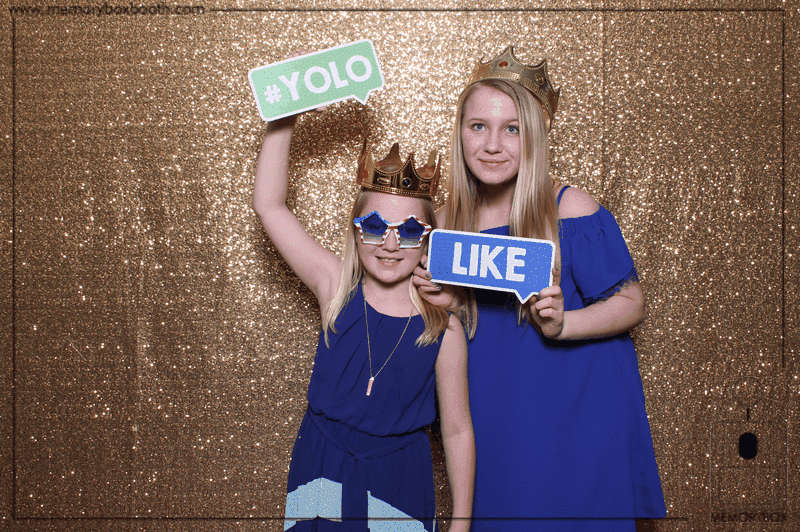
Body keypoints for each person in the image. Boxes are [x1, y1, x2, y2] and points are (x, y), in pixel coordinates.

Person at [413, 46, 666, 531]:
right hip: (495, 422)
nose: (493, 144)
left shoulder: (569, 208)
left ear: (535, 136)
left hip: (575, 423)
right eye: (478, 126)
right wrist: (450, 305)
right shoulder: (443, 226)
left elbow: (632, 302)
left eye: (512, 128)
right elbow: (452, 331)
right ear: (460, 131)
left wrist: (564, 323)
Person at [252, 60, 475, 531]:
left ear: (428, 240)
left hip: (401, 475)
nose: (390, 244)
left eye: (409, 231)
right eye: (375, 226)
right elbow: (269, 205)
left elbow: (456, 430)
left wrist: (461, 523)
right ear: (356, 232)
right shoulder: (335, 287)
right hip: (321, 460)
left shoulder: (444, 328)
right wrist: (286, 115)